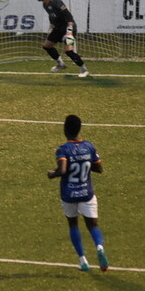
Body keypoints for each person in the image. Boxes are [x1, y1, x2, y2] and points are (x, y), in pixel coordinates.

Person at [47, 115, 108, 272]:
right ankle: (99, 247)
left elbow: (62, 170)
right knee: (92, 225)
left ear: (65, 129)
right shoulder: (89, 147)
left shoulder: (63, 149)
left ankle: (83, 261)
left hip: (69, 193)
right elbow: (99, 169)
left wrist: (52, 174)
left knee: (73, 224)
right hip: (86, 192)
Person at [34, 0, 89, 78]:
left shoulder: (56, 2)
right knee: (47, 46)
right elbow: (51, 16)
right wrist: (51, 26)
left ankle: (84, 69)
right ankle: (60, 64)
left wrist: (69, 32)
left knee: (69, 51)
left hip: (69, 28)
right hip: (58, 29)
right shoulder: (45, 4)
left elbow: (69, 16)